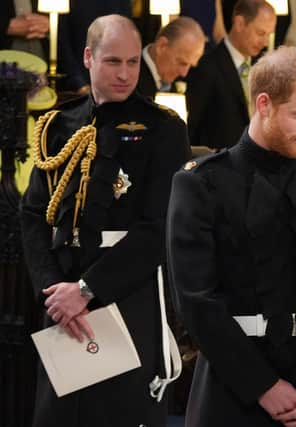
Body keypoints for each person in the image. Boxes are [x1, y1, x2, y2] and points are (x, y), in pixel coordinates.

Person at [167, 46, 296, 427]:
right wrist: (262, 384)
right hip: (234, 389)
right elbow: (195, 300)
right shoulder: (202, 183)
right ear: (264, 104)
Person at [20, 14, 190, 427]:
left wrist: (87, 289)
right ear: (88, 58)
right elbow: (32, 215)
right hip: (61, 298)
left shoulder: (163, 128)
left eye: (133, 62)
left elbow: (159, 228)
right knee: (58, 417)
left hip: (124, 293)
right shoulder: (58, 125)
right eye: (114, 61)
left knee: (120, 415)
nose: (125, 74)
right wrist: (56, 294)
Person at [186, 0, 276, 149]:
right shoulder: (207, 66)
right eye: (260, 33)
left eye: (269, 35)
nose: (266, 42)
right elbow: (194, 127)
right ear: (240, 23)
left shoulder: (264, 68)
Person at [137, 16, 206, 99]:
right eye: (182, 63)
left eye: (190, 66)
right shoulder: (131, 80)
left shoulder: (172, 83)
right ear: (161, 46)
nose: (184, 73)